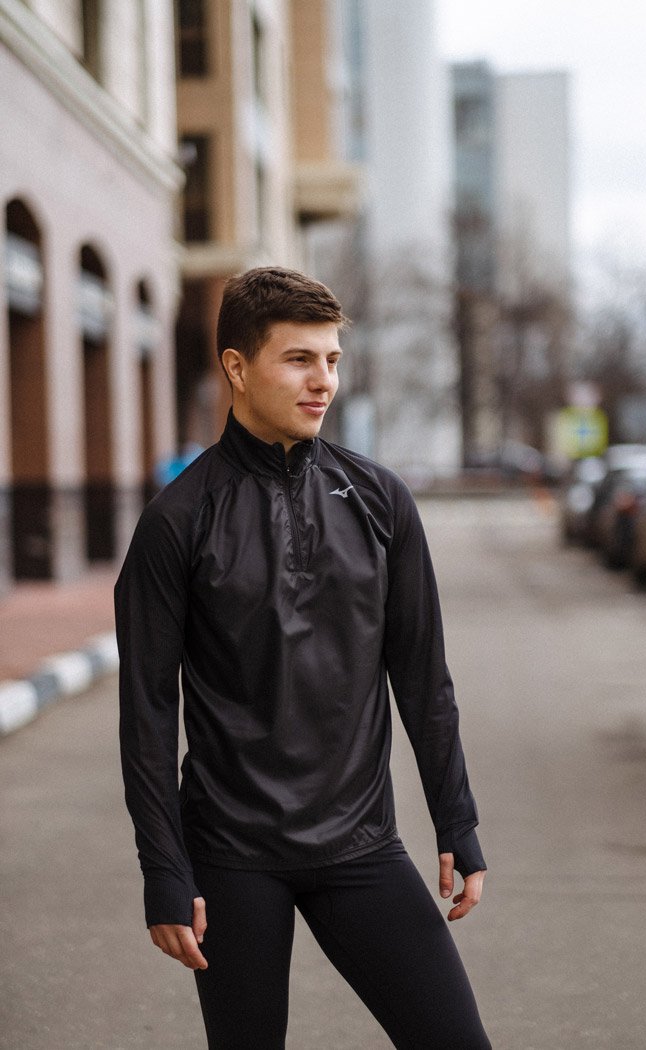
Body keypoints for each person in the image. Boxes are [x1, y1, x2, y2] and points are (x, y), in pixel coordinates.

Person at [116, 267, 491, 1050]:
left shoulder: (381, 500)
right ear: (237, 367)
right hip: (232, 858)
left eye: (332, 360)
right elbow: (148, 711)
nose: (324, 381)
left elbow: (423, 677)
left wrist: (455, 816)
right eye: (299, 359)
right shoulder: (178, 521)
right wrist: (164, 868)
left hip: (361, 845)